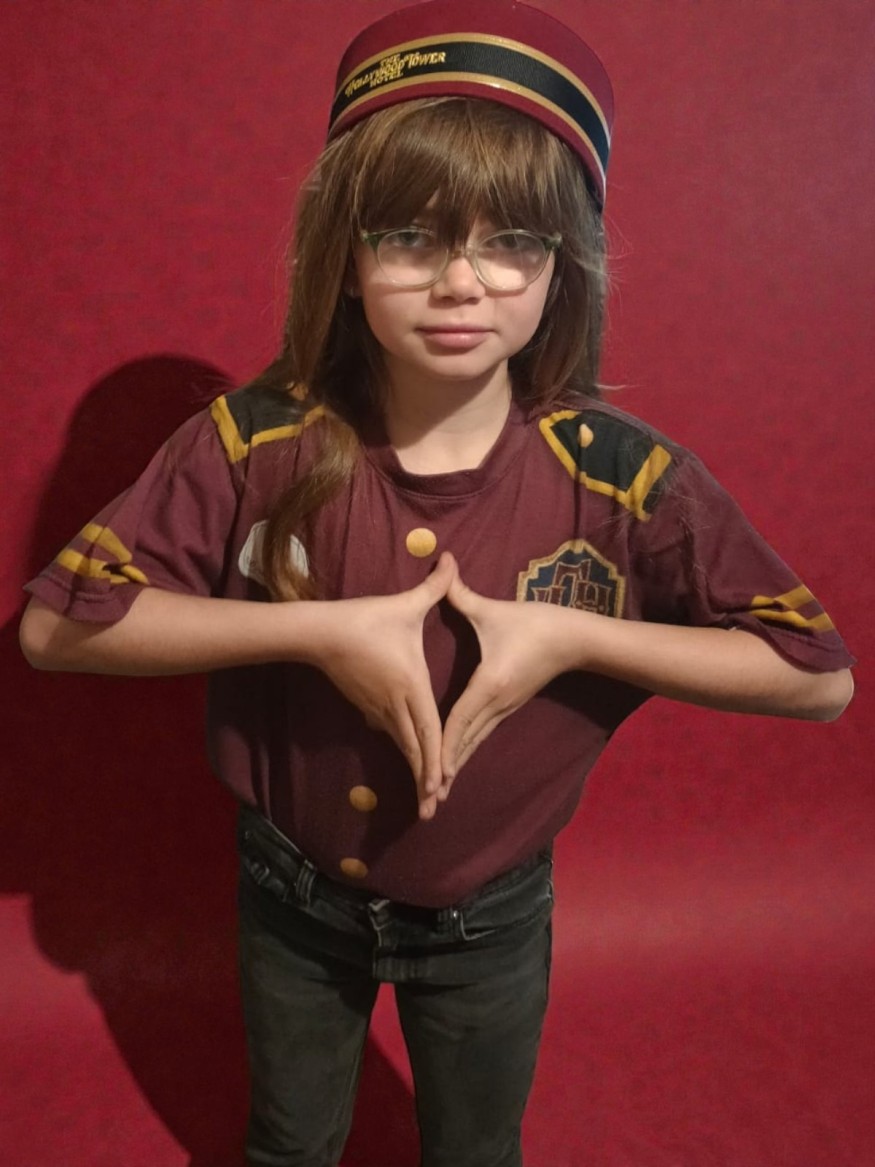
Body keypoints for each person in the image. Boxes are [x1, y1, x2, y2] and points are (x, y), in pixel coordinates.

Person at [19, 1, 854, 1165]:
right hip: (288, 891)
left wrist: (572, 641)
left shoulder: (623, 480)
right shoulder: (252, 442)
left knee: (473, 1147)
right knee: (288, 1139)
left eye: (511, 242)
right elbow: (58, 628)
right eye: (410, 237)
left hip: (489, 913)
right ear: (346, 255)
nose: (461, 282)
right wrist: (318, 634)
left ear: (562, 266)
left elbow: (814, 677)